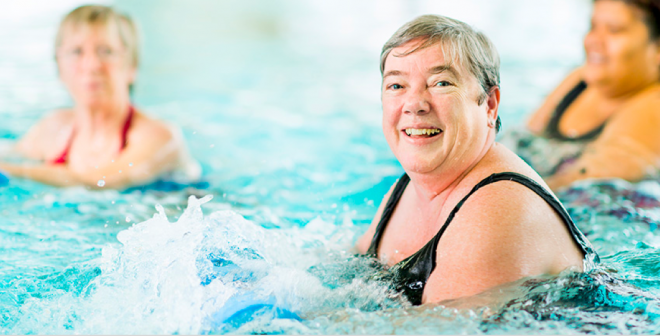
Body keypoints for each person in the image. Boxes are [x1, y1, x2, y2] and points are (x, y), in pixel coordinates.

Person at [355, 15, 598, 305]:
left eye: (441, 83)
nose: (414, 105)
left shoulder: (497, 210)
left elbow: (433, 328)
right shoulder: (408, 187)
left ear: (489, 104)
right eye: (396, 86)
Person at [0, 5, 199, 189]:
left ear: (132, 66)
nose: (91, 65)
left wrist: (9, 170)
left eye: (106, 51)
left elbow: (100, 182)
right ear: (59, 67)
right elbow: (10, 152)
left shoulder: (160, 138)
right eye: (76, 52)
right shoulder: (52, 128)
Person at [523, 0, 660, 190]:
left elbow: (573, 185)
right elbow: (522, 139)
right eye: (593, 26)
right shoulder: (581, 80)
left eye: (614, 30)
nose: (593, 40)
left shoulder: (653, 107)